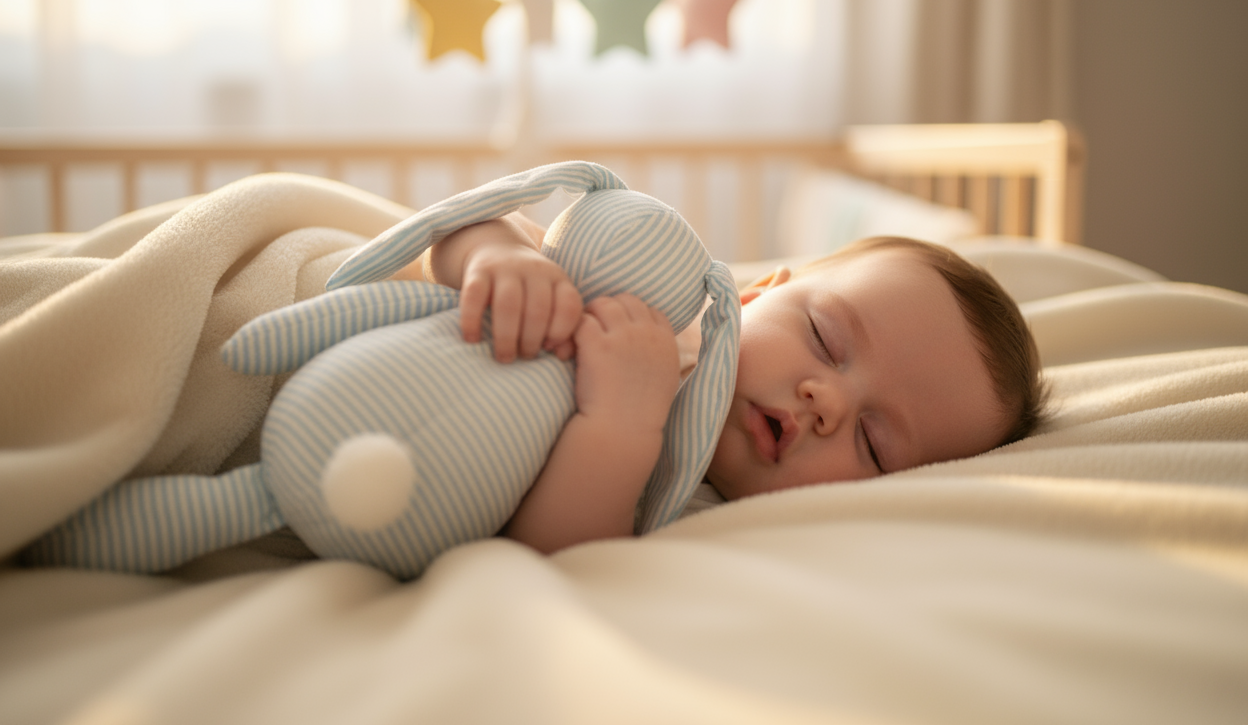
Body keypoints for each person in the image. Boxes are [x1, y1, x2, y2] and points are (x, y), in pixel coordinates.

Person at [396, 211, 1046, 554]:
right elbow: (454, 228)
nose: (830, 402)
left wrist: (620, 427)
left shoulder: (691, 510)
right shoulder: (651, 297)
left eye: (874, 445)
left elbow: (552, 554)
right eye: (824, 337)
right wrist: (500, 256)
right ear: (755, 292)